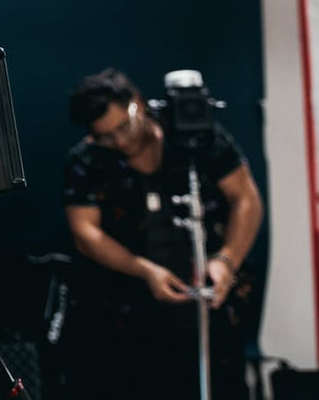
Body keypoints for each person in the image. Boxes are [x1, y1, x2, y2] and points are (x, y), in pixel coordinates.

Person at [60, 68, 263, 400]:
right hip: (130, 311)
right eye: (107, 136)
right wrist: (144, 270)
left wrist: (227, 260)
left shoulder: (195, 135)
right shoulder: (87, 160)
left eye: (124, 127)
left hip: (212, 302)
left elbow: (246, 198)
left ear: (137, 102)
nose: (121, 141)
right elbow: (85, 233)